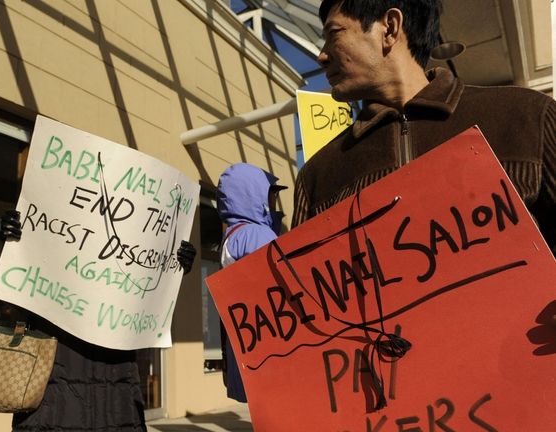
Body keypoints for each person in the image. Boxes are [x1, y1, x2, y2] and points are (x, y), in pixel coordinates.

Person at [292, 0, 555, 254]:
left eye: (334, 33)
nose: (321, 56)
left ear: (390, 28)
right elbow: (300, 291)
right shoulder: (318, 176)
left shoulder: (527, 115)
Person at [0, 210, 196, 432]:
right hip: (54, 394)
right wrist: (14, 247)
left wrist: (172, 265)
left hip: (116, 391)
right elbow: (11, 304)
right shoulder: (47, 242)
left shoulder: (125, 261)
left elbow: (150, 299)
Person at [215, 163, 287, 402]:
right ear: (255, 196)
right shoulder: (256, 235)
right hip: (273, 345)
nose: (275, 200)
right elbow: (284, 281)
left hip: (248, 343)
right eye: (272, 193)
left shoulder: (233, 235)